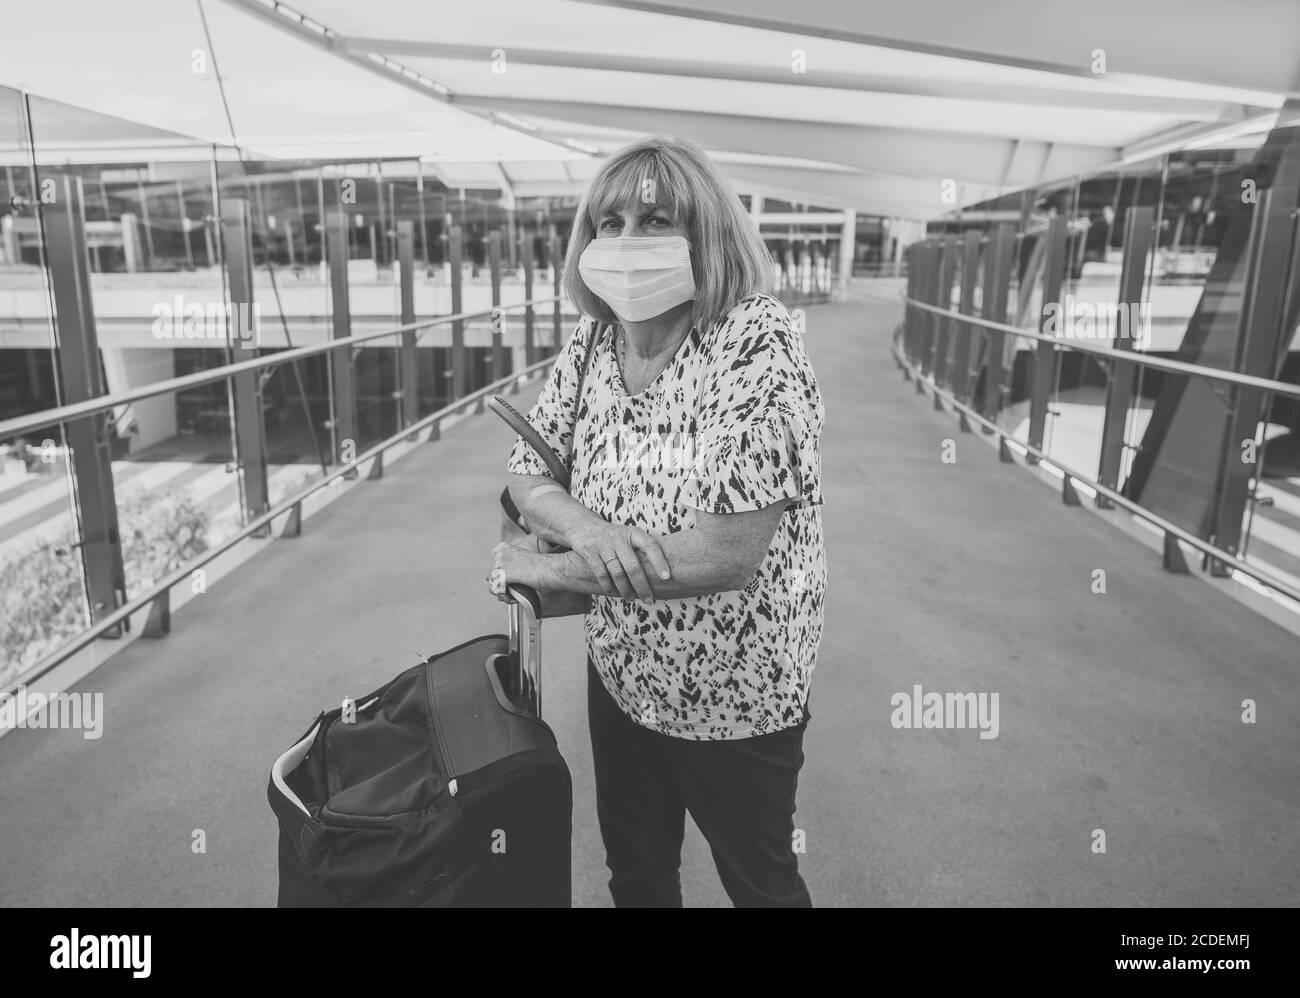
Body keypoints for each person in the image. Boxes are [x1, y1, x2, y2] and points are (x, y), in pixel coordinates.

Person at [487, 134, 826, 908]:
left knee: (762, 883)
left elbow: (722, 555)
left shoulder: (756, 342)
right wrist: (592, 532)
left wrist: (548, 566)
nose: (626, 243)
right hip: (624, 671)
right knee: (636, 878)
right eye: (609, 225)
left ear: (706, 235)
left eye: (655, 221)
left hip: (736, 688)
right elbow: (527, 472)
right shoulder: (597, 337)